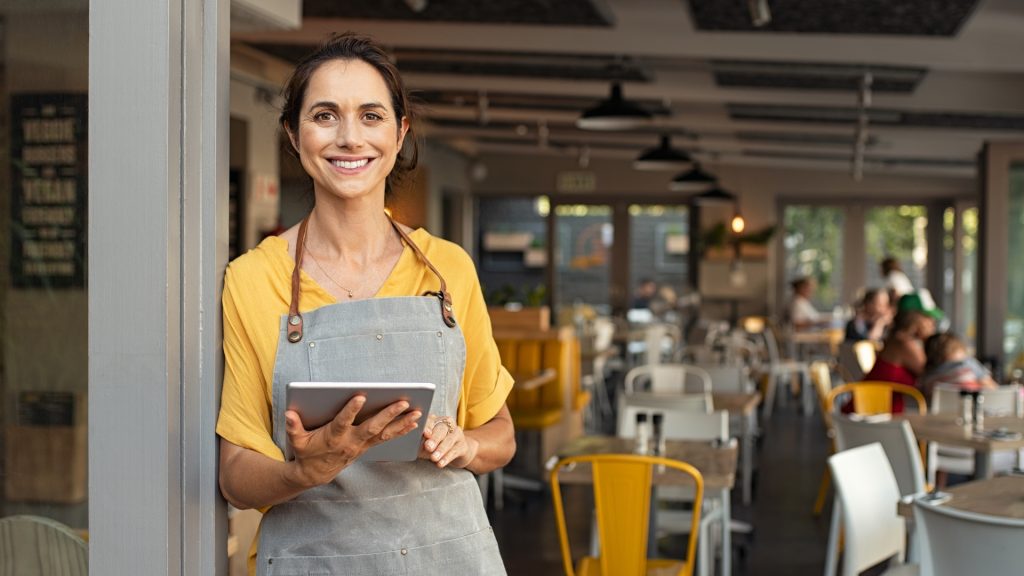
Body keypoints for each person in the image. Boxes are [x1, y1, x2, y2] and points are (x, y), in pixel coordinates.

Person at [216, 34, 514, 576]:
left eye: (371, 116)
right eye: (325, 115)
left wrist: (464, 446)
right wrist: (307, 469)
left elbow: (501, 435)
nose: (350, 138)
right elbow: (236, 473)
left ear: (399, 133)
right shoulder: (253, 279)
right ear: (293, 132)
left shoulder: (447, 270)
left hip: (450, 558)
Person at [862, 309, 935, 413]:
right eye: (928, 319)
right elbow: (932, 373)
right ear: (916, 319)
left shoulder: (896, 339)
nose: (932, 324)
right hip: (870, 414)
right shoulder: (904, 344)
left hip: (878, 412)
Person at [918, 332, 998, 400]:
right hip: (972, 411)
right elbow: (993, 389)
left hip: (939, 416)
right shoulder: (967, 364)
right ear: (957, 349)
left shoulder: (926, 377)